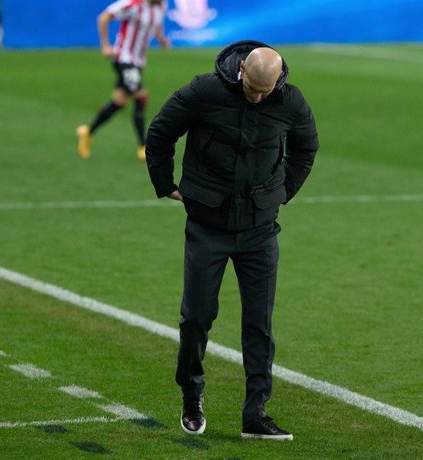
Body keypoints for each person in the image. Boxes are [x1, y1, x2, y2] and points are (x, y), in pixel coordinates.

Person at [145, 40, 319, 440]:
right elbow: (160, 132)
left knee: (260, 324)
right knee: (196, 319)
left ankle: (255, 413)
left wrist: (281, 193)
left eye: (266, 91)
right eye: (253, 89)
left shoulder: (290, 101)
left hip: (260, 229)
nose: (258, 98)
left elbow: (306, 148)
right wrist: (164, 184)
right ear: (241, 70)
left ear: (278, 81)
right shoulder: (204, 91)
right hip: (208, 225)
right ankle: (191, 393)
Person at [76, 0, 169, 161]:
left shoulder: (161, 5)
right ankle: (143, 147)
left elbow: (157, 25)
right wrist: (105, 45)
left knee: (119, 102)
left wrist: (161, 38)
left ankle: (87, 132)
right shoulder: (133, 4)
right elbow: (104, 17)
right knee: (141, 97)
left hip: (138, 61)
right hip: (124, 58)